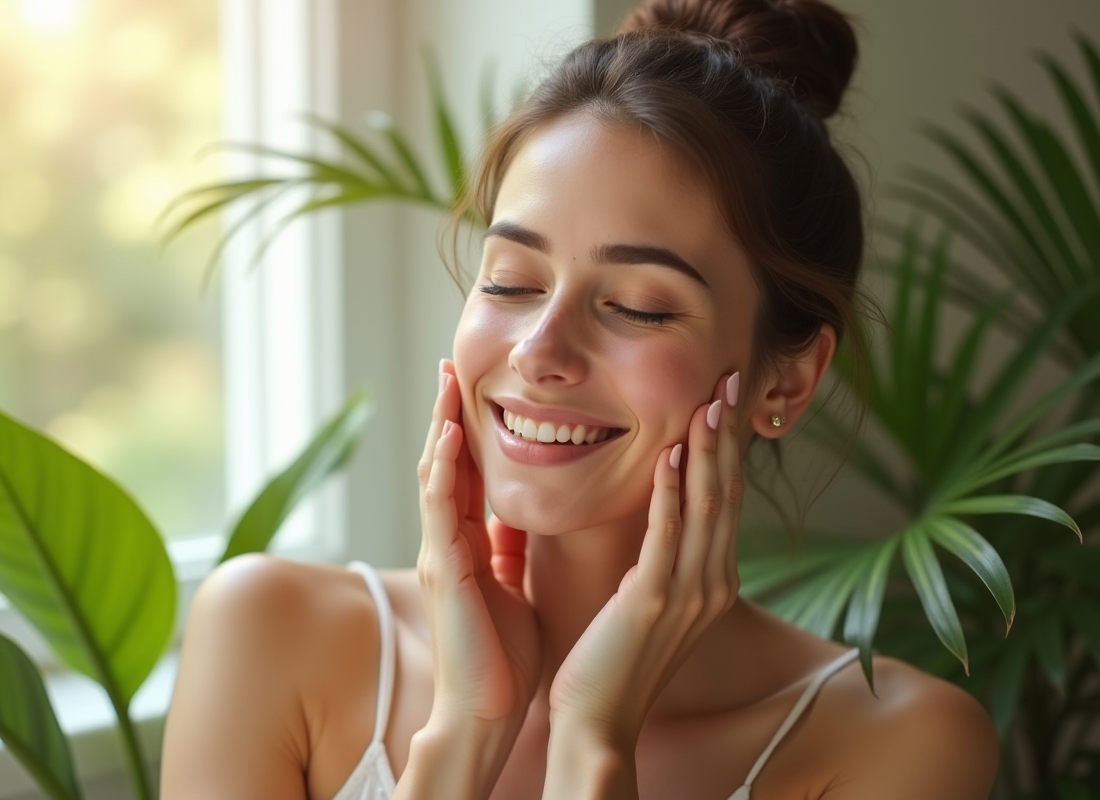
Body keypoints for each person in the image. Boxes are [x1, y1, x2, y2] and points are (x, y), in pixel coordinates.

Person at [159, 0, 1000, 797]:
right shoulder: (269, 633)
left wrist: (594, 738)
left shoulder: (896, 745)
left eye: (638, 305)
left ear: (786, 380)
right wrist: (467, 728)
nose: (539, 352)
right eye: (511, 281)